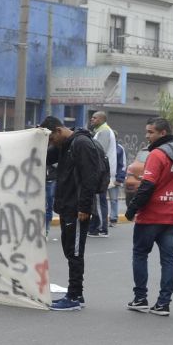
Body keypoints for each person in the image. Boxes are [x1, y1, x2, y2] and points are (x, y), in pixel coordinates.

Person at [124, 118, 173, 317]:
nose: (147, 136)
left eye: (150, 132)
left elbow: (147, 185)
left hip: (151, 216)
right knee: (168, 260)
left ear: (163, 133)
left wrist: (132, 209)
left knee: (140, 254)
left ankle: (140, 299)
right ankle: (163, 304)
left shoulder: (157, 154)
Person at [39, 116, 105, 311]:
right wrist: (36, 136)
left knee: (75, 253)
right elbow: (44, 157)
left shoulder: (81, 143)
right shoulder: (65, 144)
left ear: (59, 131)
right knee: (70, 250)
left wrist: (84, 207)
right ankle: (77, 294)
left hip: (77, 209)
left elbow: (89, 177)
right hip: (67, 206)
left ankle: (74, 296)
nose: (52, 143)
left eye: (52, 139)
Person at [87, 111, 117, 238]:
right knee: (98, 200)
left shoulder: (104, 131)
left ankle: (101, 228)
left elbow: (99, 151)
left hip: (101, 172)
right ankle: (95, 227)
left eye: (94, 118)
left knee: (99, 201)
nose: (92, 119)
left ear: (101, 119)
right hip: (101, 171)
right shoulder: (100, 131)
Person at [109, 138, 127, 227]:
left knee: (114, 200)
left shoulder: (119, 148)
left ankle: (113, 219)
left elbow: (122, 165)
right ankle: (101, 222)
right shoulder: (104, 145)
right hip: (103, 178)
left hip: (114, 179)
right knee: (100, 201)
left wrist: (119, 179)